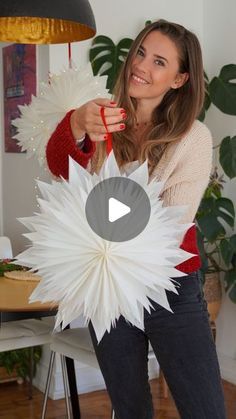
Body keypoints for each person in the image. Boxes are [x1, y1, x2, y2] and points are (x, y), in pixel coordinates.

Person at [46, 19, 226, 419]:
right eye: (141, 52)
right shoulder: (102, 119)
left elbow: (170, 222)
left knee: (205, 409)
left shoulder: (193, 138)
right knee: (129, 408)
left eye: (159, 61)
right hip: (109, 286)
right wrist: (76, 123)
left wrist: (95, 212)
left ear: (179, 79)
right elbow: (61, 171)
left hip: (171, 283)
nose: (141, 65)